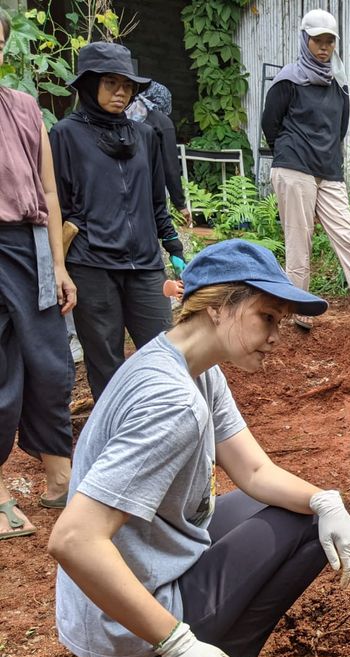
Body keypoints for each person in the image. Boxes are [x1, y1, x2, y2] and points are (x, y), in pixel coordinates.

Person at [48, 239, 350, 657]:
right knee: (300, 531)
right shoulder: (173, 404)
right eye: (267, 317)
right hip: (127, 638)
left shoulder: (186, 365)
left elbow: (254, 471)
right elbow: (74, 539)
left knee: (299, 510)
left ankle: (195, 648)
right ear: (218, 307)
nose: (277, 335)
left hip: (116, 601)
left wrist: (324, 500)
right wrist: (176, 644)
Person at [50, 41, 185, 401]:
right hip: (91, 265)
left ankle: (165, 421)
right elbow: (56, 205)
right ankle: (115, 437)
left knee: (164, 350)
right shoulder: (65, 135)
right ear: (89, 86)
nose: (121, 92)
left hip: (144, 264)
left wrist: (172, 246)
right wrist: (58, 266)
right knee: (105, 360)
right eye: (111, 83)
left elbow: (157, 200)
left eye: (127, 85)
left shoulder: (144, 136)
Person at [262, 9, 350, 333]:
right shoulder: (288, 80)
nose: (323, 47)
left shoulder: (340, 85)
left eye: (329, 41)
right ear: (305, 39)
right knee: (299, 240)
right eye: (317, 40)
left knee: (348, 237)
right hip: (294, 166)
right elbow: (271, 124)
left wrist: (324, 158)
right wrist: (291, 150)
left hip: (328, 170)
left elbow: (340, 129)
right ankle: (299, 303)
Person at [0, 8, 78, 538]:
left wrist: (58, 264)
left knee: (51, 365)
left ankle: (58, 474)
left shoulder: (26, 108)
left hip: (28, 246)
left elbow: (49, 193)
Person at [126, 81, 193, 227]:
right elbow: (171, 167)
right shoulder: (162, 122)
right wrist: (180, 204)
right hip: (145, 189)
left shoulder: (122, 115)